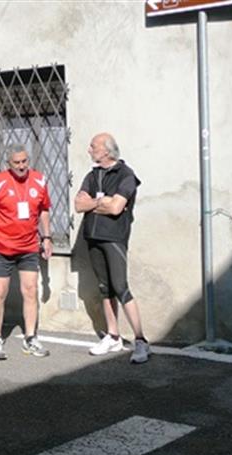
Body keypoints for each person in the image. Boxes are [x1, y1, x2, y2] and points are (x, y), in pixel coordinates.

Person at [74, 132, 150, 364]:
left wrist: (96, 203)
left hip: (114, 238)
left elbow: (117, 207)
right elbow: (78, 205)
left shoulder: (125, 175)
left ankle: (141, 340)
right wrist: (101, 202)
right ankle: (113, 335)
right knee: (104, 288)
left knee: (120, 287)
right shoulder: (92, 175)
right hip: (93, 237)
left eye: (93, 146)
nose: (89, 150)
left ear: (106, 151)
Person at [0, 144, 53, 360]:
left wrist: (47, 237)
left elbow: (44, 209)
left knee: (30, 291)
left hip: (28, 247)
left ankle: (30, 338)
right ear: (8, 164)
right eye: (16, 163)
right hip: (1, 248)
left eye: (24, 161)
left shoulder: (39, 181)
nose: (21, 166)